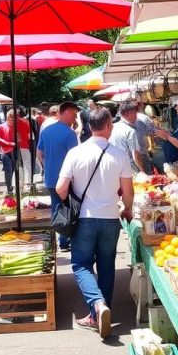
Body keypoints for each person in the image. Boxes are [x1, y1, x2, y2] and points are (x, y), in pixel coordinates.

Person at [57, 108, 133, 340]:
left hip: (85, 219)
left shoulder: (76, 153)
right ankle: (101, 309)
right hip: (110, 218)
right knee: (107, 265)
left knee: (81, 265)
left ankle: (97, 307)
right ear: (109, 125)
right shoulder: (120, 154)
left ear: (89, 126)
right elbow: (128, 193)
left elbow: (61, 189)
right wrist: (127, 208)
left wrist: (70, 200)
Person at [37, 102, 79, 252]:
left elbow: (39, 153)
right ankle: (64, 241)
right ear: (66, 113)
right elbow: (75, 159)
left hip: (50, 177)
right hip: (66, 179)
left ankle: (56, 240)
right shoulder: (69, 133)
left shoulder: (47, 131)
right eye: (74, 115)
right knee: (67, 209)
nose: (75, 118)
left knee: (56, 208)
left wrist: (46, 166)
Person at [0, 110, 30, 194]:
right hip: (5, 151)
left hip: (16, 150)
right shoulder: (2, 126)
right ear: (7, 117)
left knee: (16, 169)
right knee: (8, 170)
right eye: (10, 117)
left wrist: (19, 140)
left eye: (13, 117)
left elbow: (24, 136)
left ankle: (16, 187)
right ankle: (9, 188)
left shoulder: (17, 127)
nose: (12, 119)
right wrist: (9, 143)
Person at [110, 102, 147, 173]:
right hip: (130, 168)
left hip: (116, 167)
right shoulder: (130, 131)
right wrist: (143, 172)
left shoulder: (112, 127)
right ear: (126, 114)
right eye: (134, 113)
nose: (136, 115)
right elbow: (135, 155)